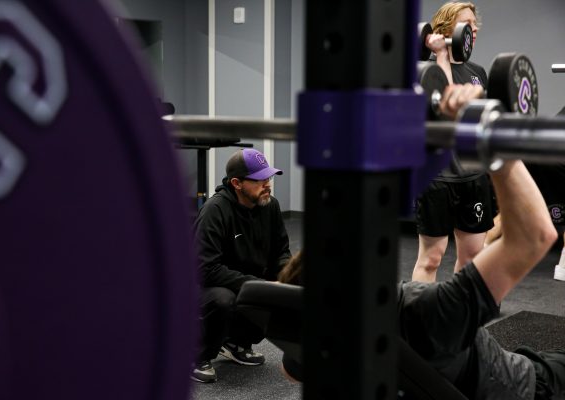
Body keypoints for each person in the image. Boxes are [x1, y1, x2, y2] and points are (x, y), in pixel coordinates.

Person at [279, 157, 563, 398]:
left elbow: (289, 370)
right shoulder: (427, 309)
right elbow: (536, 235)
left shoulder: (324, 335)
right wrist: (496, 149)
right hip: (529, 388)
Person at [191, 148, 292, 383]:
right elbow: (205, 269)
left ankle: (236, 343)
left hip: (244, 280)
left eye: (268, 178)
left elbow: (281, 251)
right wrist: (259, 286)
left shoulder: (271, 206)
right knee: (223, 300)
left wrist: (287, 277)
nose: (267, 184)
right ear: (237, 183)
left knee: (283, 291)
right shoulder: (215, 211)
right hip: (207, 287)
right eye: (259, 180)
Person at [412, 1, 496, 282]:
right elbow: (447, 108)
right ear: (447, 29)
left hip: (472, 175)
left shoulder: (478, 73)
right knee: (431, 257)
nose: (474, 28)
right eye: (467, 23)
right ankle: (420, 317)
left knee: (472, 255)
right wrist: (440, 55)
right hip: (437, 177)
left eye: (475, 23)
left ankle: (459, 316)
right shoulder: (425, 69)